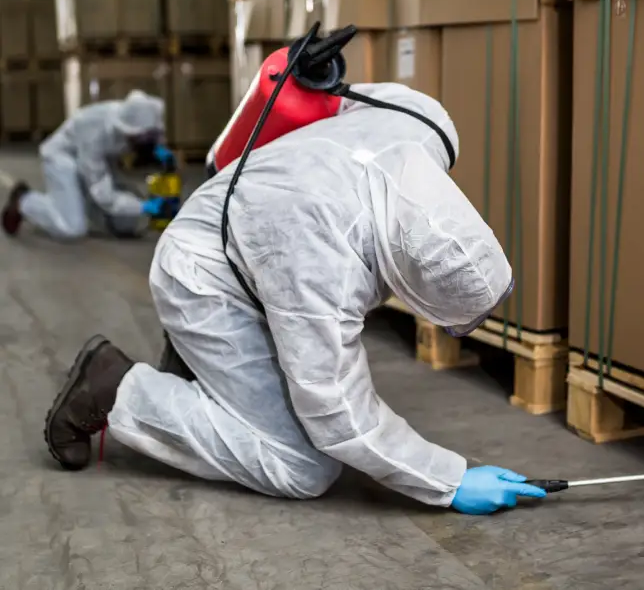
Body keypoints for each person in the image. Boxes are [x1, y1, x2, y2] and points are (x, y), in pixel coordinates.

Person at [44, 83, 547, 515]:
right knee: (304, 466)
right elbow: (336, 411)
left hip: (244, 231)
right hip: (203, 276)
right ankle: (115, 388)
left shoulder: (421, 125)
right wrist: (450, 481)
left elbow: (359, 97)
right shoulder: (326, 264)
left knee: (293, 406)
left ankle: (203, 371)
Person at [2, 90, 174, 240]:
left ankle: (71, 203)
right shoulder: (95, 134)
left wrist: (160, 152)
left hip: (91, 160)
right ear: (128, 130)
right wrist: (145, 206)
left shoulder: (132, 117)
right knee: (72, 228)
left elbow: (148, 135)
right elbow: (103, 195)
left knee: (125, 222)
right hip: (62, 158)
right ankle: (24, 201)